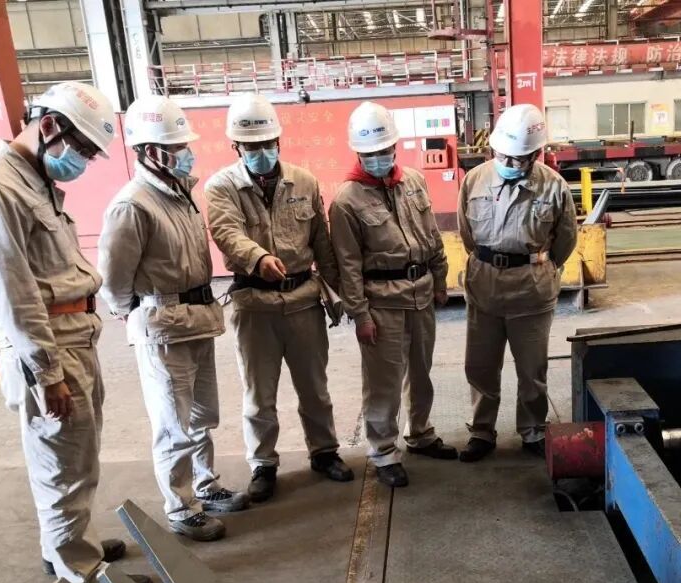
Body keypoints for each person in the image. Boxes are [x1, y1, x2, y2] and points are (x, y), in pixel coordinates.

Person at [0, 82, 151, 583]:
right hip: (48, 346)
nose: (82, 161)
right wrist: (47, 372)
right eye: (80, 148)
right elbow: (13, 293)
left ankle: (67, 547)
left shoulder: (31, 182)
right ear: (48, 127)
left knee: (74, 456)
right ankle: (80, 574)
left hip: (70, 337)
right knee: (63, 464)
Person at [98, 95, 246, 542]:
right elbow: (113, 280)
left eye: (185, 145)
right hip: (164, 328)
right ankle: (181, 509)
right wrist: (138, 312)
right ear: (151, 152)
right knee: (173, 426)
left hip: (197, 319)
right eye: (178, 146)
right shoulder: (133, 205)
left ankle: (205, 486)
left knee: (201, 416)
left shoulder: (180, 195)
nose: (187, 153)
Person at [204, 93, 353, 503]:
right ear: (236, 147)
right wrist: (258, 257)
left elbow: (322, 242)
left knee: (315, 388)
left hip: (303, 300)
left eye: (267, 144)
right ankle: (263, 464)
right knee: (259, 395)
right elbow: (226, 233)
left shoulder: (304, 181)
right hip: (255, 305)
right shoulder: (221, 187)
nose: (261, 152)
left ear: (278, 141)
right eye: (251, 146)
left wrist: (337, 294)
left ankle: (324, 452)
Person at [328, 101, 458, 488]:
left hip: (420, 293)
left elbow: (431, 235)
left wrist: (439, 279)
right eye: (370, 153)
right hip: (382, 303)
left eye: (384, 150)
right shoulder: (346, 201)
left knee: (421, 373)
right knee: (383, 382)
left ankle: (420, 433)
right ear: (358, 153)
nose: (379, 158)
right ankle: (383, 450)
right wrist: (360, 315)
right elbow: (348, 265)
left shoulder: (413, 182)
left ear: (394, 147)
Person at [457, 104, 578, 463]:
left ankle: (533, 430)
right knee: (480, 366)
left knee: (532, 369)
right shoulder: (474, 180)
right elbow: (467, 234)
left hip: (531, 292)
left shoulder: (553, 186)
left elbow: (566, 240)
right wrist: (489, 263)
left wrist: (536, 267)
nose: (508, 162)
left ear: (535, 154)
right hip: (484, 289)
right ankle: (482, 431)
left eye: (518, 158)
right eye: (502, 155)